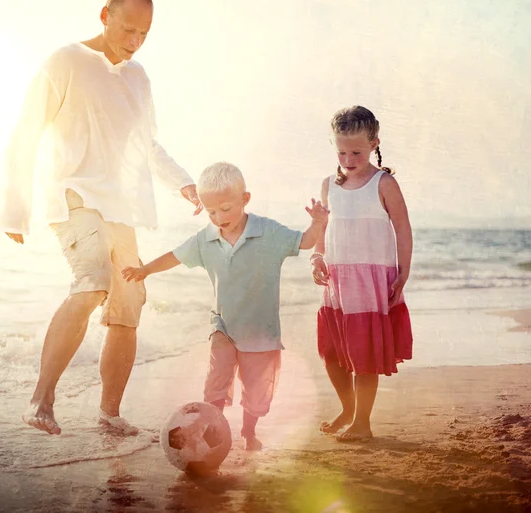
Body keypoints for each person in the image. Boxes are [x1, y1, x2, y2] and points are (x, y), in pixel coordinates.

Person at [0, 0, 201, 436]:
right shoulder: (66, 61)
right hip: (73, 195)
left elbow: (148, 144)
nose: (135, 42)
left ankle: (109, 414)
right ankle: (41, 400)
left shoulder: (138, 77)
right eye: (129, 29)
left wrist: (183, 183)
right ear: (105, 15)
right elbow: (26, 132)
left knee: (129, 303)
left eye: (144, 35)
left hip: (121, 206)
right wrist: (15, 208)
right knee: (92, 281)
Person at [122, 162, 329, 450]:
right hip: (224, 326)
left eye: (226, 208)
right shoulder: (205, 239)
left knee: (256, 391)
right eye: (211, 212)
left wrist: (317, 223)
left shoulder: (268, 232)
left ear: (245, 199)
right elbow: (176, 256)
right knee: (215, 382)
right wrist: (145, 270)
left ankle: (248, 431)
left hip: (260, 329)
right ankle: (212, 432)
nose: (219, 217)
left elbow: (305, 242)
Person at [311, 105, 413, 442]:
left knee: (363, 355)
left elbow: (403, 229)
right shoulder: (329, 185)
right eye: (342, 151)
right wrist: (317, 258)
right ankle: (348, 408)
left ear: (374, 144)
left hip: (370, 282)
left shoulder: (383, 183)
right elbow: (322, 231)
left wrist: (403, 273)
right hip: (337, 282)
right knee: (332, 354)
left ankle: (362, 423)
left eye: (356, 151)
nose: (348, 158)